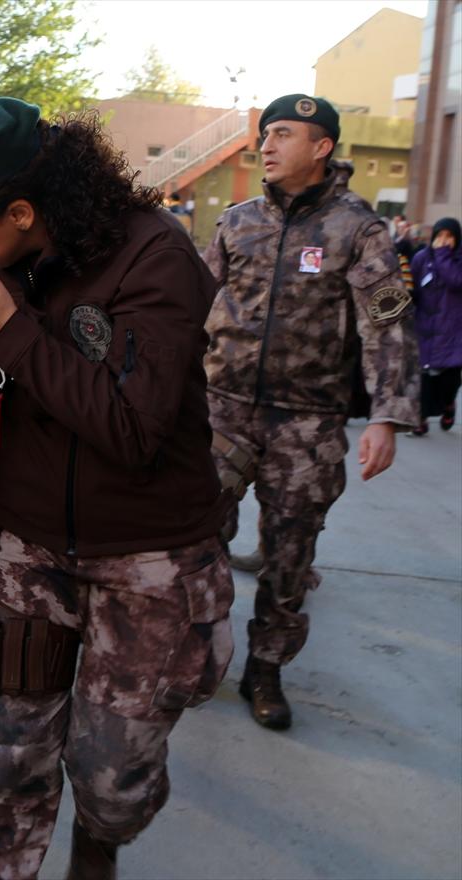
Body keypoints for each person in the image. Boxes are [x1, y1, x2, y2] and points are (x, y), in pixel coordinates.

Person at [0, 97, 234, 880]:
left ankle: (98, 849)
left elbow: (132, 429)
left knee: (113, 778)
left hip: (149, 562)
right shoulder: (3, 263)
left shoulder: (154, 257)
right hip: (26, 548)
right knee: (5, 764)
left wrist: (10, 328)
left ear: (21, 210)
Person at [201, 94, 419, 731]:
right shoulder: (238, 221)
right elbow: (195, 306)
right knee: (197, 536)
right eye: (265, 133)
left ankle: (265, 669)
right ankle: (199, 652)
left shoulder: (359, 229)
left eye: (283, 134)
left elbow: (387, 325)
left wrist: (386, 415)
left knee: (290, 551)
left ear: (322, 147)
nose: (266, 145)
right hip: (223, 407)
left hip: (308, 420)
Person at [409, 217, 462, 435]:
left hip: (453, 329)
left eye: (449, 236)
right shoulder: (422, 257)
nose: (443, 241)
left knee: (448, 379)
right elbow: (411, 286)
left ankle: (448, 405)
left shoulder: (458, 260)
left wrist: (443, 256)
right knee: (422, 377)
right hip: (425, 327)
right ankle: (419, 419)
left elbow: (456, 281)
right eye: (440, 236)